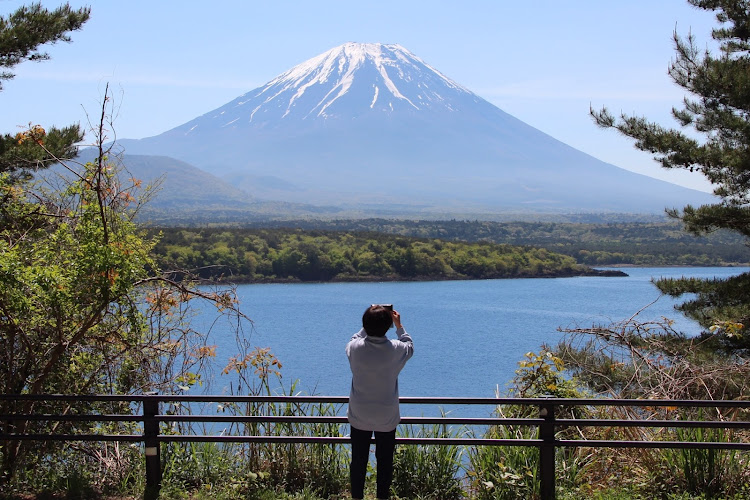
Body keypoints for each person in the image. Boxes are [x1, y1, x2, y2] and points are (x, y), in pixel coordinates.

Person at [345, 304, 414, 500]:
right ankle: (382, 497)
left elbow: (354, 338)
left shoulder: (355, 349)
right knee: (385, 462)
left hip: (359, 414)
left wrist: (371, 318)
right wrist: (399, 325)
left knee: (358, 461)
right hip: (386, 416)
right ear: (388, 326)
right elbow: (409, 345)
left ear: (364, 325)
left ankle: (357, 497)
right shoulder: (396, 349)